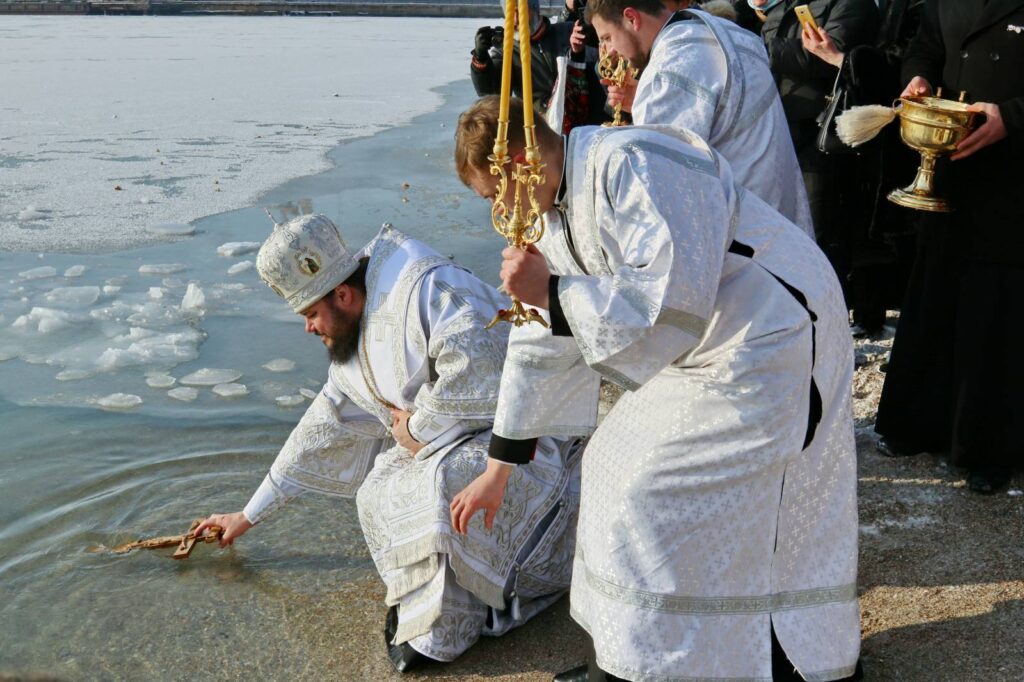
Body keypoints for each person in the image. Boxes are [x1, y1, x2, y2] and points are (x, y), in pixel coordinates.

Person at [452, 96, 861, 681]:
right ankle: (637, 657)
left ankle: (769, 656)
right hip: (704, 347)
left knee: (654, 493)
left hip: (773, 334)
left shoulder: (630, 164)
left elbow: (670, 301)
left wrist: (553, 291)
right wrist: (500, 466)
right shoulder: (551, 207)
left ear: (519, 161)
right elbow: (539, 341)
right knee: (609, 464)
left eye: (494, 195)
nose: (496, 213)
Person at [196, 215, 582, 670]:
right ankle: (431, 615)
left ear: (342, 294)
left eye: (311, 315)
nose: (308, 330)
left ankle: (466, 619)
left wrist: (416, 430)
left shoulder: (425, 286)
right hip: (451, 440)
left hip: (529, 442)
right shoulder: (350, 338)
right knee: (377, 485)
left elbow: (493, 372)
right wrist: (247, 515)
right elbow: (315, 437)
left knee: (442, 481)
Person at [874, 0, 1024, 494]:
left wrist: (1015, 117)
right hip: (953, 173)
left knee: (996, 316)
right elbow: (924, 49)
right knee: (937, 296)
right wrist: (917, 80)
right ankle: (918, 424)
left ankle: (990, 448)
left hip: (1013, 182)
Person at [586, 0, 815, 235]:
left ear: (632, 18)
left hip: (745, 242)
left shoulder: (670, 68)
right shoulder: (726, 31)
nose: (609, 52)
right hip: (783, 224)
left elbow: (664, 186)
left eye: (606, 37)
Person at [801, 0, 925, 336]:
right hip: (866, 130)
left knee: (894, 229)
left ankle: (900, 323)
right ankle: (867, 315)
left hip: (905, 132)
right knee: (861, 224)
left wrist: (841, 59)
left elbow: (908, 59)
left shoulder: (917, 7)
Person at [747, 0, 880, 290]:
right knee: (776, 228)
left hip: (820, 138)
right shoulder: (784, 5)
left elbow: (826, 56)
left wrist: (754, 49)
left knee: (817, 234)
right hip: (779, 132)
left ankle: (824, 311)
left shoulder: (851, 4)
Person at [472, 0, 608, 127]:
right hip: (542, 129)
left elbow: (601, 67)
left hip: (587, 122)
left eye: (519, 11)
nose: (515, 20)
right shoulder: (508, 52)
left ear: (535, 10)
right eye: (509, 13)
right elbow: (491, 92)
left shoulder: (568, 31)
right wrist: (481, 59)